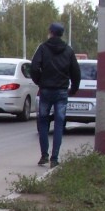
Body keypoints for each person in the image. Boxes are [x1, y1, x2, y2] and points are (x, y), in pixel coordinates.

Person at [29, 22, 80, 168]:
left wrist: (39, 81)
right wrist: (74, 88)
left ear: (51, 32)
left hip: (45, 90)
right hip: (62, 91)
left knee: (43, 122)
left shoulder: (43, 48)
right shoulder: (68, 51)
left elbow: (34, 67)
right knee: (59, 124)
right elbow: (75, 71)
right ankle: (55, 158)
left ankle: (44, 155)